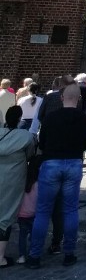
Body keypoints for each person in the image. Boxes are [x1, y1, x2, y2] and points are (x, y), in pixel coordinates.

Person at [26, 81, 86, 268]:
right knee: (70, 210)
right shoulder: (85, 119)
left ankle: (34, 255)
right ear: (79, 99)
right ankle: (69, 253)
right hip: (73, 164)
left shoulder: (51, 118)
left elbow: (42, 142)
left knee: (43, 211)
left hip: (51, 163)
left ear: (62, 98)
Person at [0, 105, 37, 268]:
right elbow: (31, 154)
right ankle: (0, 257)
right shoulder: (25, 136)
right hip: (13, 179)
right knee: (5, 217)